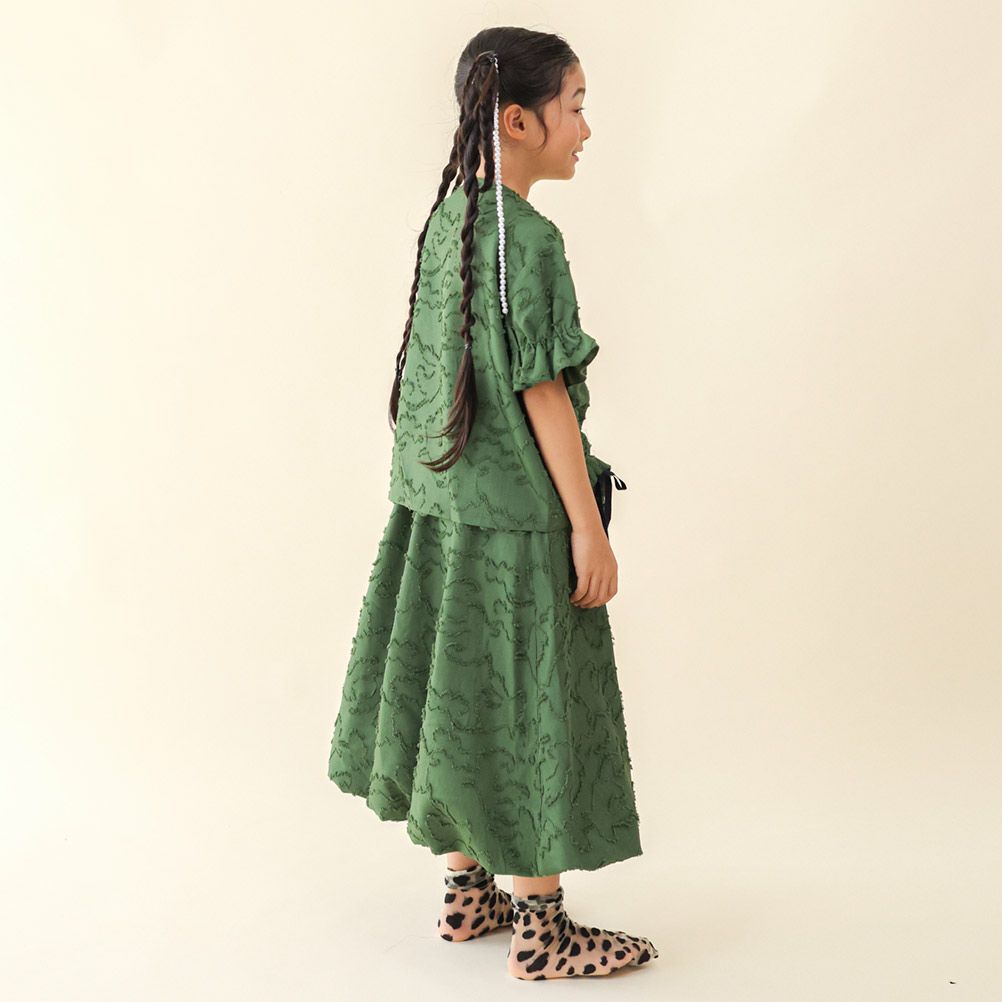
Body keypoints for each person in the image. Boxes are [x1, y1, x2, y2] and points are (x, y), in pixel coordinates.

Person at [327, 26, 659, 981]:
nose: (587, 128)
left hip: (445, 511)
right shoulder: (533, 243)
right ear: (518, 120)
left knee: (463, 693)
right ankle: (543, 930)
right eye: (576, 106)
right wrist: (588, 529)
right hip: (516, 522)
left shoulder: (450, 221)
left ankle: (467, 890)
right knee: (529, 706)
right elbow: (541, 392)